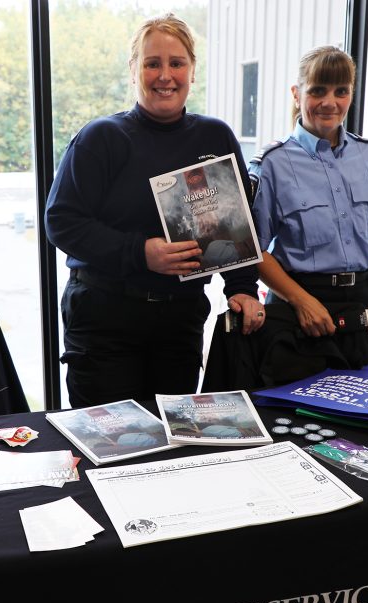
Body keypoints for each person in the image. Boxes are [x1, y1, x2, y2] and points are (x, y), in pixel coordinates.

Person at [44, 13, 265, 409]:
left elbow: (237, 225)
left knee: (172, 443)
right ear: (134, 71)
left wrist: (243, 289)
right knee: (109, 446)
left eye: (176, 63)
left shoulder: (215, 137)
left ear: (192, 71)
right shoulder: (101, 138)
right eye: (152, 63)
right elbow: (61, 222)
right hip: (103, 321)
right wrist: (140, 252)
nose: (165, 75)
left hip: (179, 322)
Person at [248, 45, 368, 378]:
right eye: (318, 91)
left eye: (341, 92)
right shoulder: (271, 166)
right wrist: (300, 300)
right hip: (304, 317)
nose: (330, 102)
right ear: (297, 94)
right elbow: (252, 251)